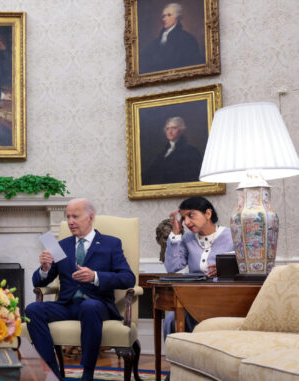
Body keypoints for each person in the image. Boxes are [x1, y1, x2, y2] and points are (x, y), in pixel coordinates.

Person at [25, 198, 136, 381]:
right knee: (32, 309)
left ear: (90, 217)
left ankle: (87, 374)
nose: (70, 222)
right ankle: (53, 373)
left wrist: (96, 277)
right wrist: (44, 268)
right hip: (67, 305)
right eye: (68, 217)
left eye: (75, 216)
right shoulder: (61, 245)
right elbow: (39, 282)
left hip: (97, 306)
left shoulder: (110, 244)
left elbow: (128, 278)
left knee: (89, 307)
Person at [162, 196, 234, 337]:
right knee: (171, 319)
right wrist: (176, 234)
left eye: (191, 215)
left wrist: (225, 269)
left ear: (208, 214)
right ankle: (177, 359)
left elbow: (246, 264)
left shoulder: (232, 236)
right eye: (184, 218)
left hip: (224, 298)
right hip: (194, 297)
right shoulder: (187, 239)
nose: (187, 222)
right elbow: (172, 267)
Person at [139, 2, 204, 74]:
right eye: (163, 16)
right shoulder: (157, 41)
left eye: (169, 15)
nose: (164, 19)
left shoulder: (188, 39)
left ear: (177, 18)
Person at [144, 116, 202, 185]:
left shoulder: (191, 151)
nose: (170, 132)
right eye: (167, 129)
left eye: (174, 128)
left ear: (182, 130)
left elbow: (191, 177)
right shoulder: (163, 153)